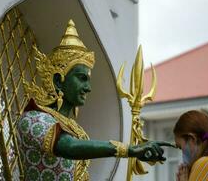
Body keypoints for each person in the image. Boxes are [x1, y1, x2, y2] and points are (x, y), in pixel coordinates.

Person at [17, 19, 173, 181]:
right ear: (58, 80)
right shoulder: (33, 119)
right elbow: (68, 147)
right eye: (82, 78)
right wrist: (128, 150)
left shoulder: (76, 129)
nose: (88, 88)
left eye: (88, 80)